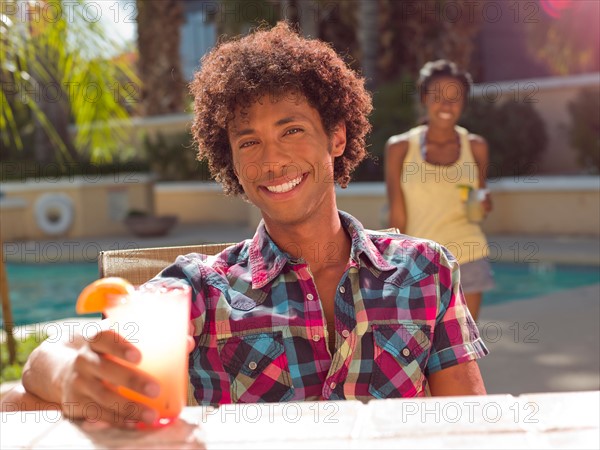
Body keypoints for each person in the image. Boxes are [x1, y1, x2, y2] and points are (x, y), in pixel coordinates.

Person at [3, 24, 488, 427]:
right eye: (249, 141)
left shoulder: (426, 269)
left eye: (291, 130)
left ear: (336, 138)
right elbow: (57, 348)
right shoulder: (199, 286)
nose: (272, 160)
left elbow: (471, 423)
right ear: (230, 161)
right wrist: (71, 376)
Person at [385, 59, 495, 322]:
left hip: (468, 257)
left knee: (464, 351)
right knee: (419, 353)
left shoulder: (476, 147)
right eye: (437, 96)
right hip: (418, 263)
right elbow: (397, 216)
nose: (446, 105)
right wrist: (391, 269)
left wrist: (484, 206)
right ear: (424, 98)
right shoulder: (399, 148)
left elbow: (477, 210)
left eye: (454, 98)